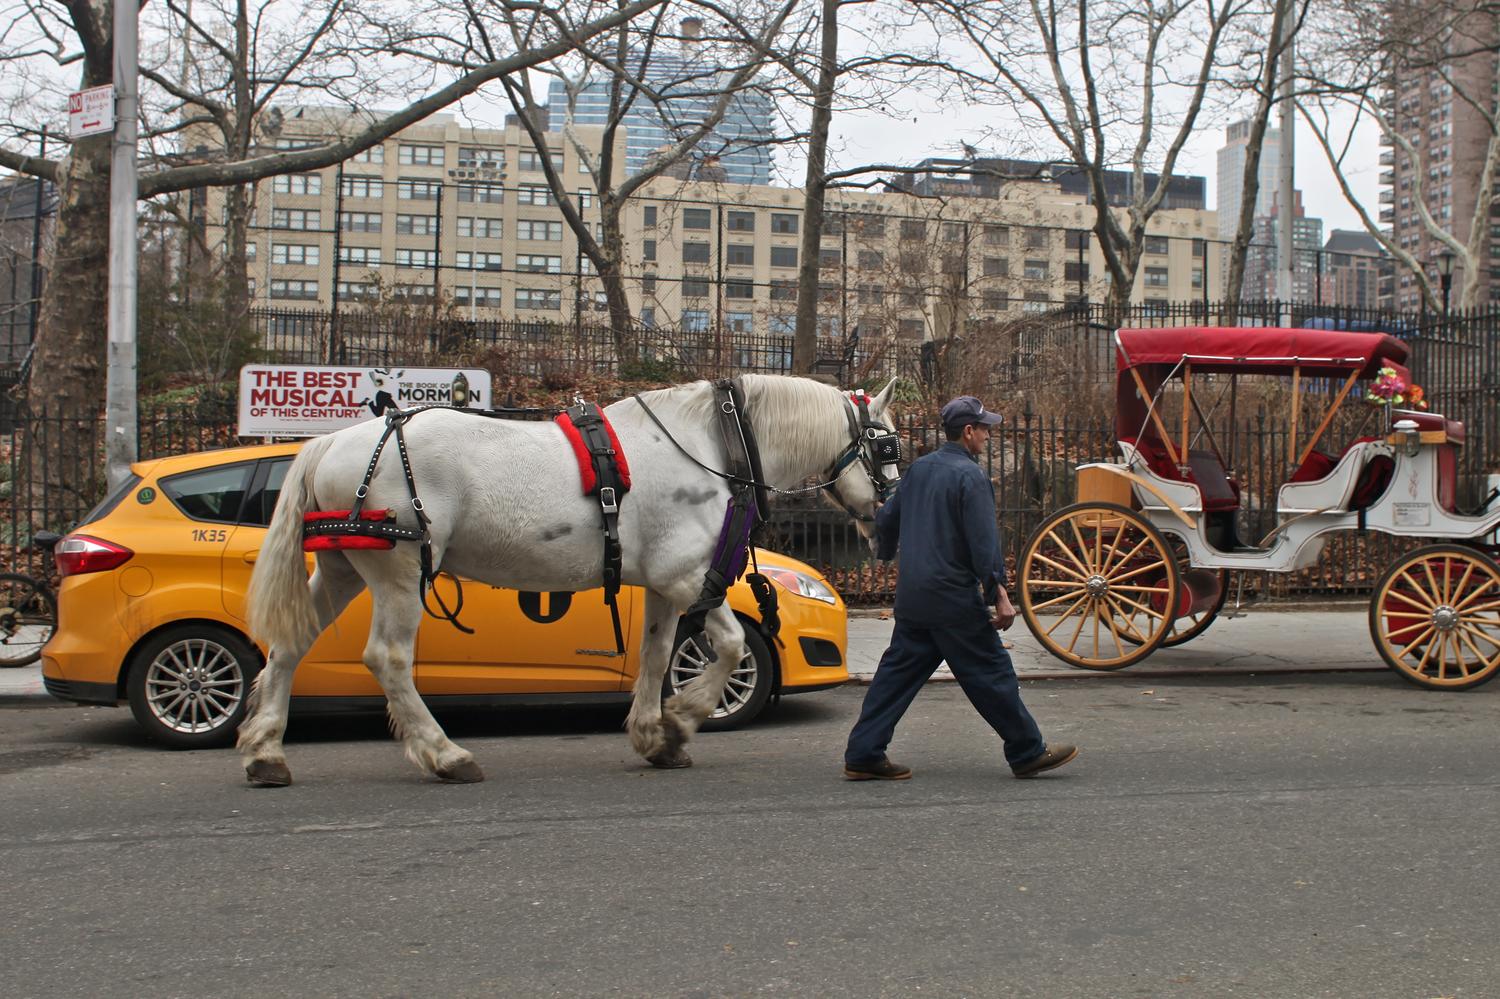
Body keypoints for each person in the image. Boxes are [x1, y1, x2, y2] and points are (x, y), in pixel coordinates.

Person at [842, 395, 1077, 781]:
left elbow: (887, 522)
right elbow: (983, 542)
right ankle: (1027, 751)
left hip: (915, 597)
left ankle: (864, 753)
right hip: (953, 599)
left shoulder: (918, 470)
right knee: (991, 672)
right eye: (985, 429)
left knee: (895, 678)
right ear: (968, 432)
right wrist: (999, 595)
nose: (987, 435)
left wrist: (884, 552)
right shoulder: (970, 476)